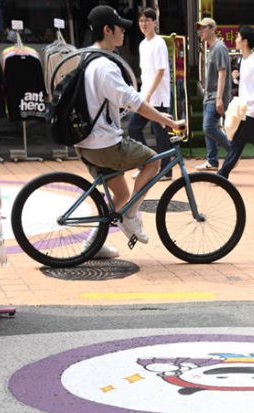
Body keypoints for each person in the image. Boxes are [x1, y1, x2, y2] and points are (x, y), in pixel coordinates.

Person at [75, 5, 183, 251]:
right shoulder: (105, 66)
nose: (124, 32)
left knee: (122, 195)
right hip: (104, 144)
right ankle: (130, 216)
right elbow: (134, 102)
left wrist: (158, 114)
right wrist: (169, 122)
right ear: (107, 30)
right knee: (154, 161)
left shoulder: (88, 59)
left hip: (87, 143)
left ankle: (93, 244)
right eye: (120, 28)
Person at [218, 25, 254, 184]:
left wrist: (246, 103)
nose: (235, 39)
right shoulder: (244, 60)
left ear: (245, 41)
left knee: (237, 143)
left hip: (249, 111)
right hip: (246, 109)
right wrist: (236, 78)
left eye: (238, 37)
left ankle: (222, 173)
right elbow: (248, 85)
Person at [127, 7, 173, 179]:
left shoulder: (159, 43)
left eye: (147, 20)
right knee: (133, 128)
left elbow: (160, 72)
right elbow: (145, 73)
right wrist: (142, 94)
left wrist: (147, 95)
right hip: (145, 95)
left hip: (158, 97)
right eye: (141, 20)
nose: (143, 24)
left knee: (160, 134)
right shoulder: (142, 44)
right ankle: (146, 164)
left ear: (154, 22)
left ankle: (166, 171)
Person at [196, 17, 232, 171]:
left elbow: (222, 74)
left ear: (212, 29)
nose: (200, 31)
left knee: (208, 127)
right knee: (209, 128)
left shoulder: (219, 48)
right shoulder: (212, 48)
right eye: (199, 28)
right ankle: (212, 161)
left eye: (203, 28)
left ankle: (233, 150)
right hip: (209, 95)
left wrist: (219, 98)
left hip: (215, 96)